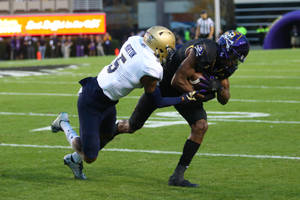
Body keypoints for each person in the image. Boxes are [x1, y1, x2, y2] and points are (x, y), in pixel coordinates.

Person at [50, 26, 203, 180]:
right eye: (168, 49)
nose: (169, 52)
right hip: (92, 100)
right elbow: (156, 100)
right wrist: (184, 98)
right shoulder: (151, 67)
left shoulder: (134, 41)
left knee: (107, 135)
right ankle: (63, 123)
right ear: (158, 46)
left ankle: (74, 160)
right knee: (89, 156)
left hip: (108, 100)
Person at [115, 30, 250, 187]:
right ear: (226, 50)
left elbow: (225, 98)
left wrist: (216, 86)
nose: (234, 62)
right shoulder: (204, 51)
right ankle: (96, 140)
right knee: (132, 126)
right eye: (233, 57)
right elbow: (177, 80)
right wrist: (196, 94)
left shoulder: (226, 66)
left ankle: (177, 176)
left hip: (185, 89)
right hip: (165, 85)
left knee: (200, 126)